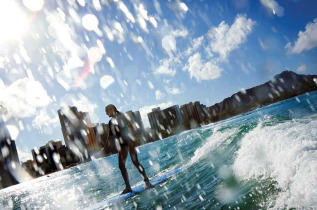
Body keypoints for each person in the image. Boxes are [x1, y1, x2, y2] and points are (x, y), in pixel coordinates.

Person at [105, 104, 151, 194]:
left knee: (123, 165)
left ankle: (129, 187)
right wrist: (105, 148)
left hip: (126, 142)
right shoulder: (112, 121)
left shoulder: (120, 117)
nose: (106, 113)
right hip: (126, 142)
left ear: (112, 109)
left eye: (107, 111)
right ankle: (146, 181)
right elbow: (110, 137)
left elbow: (130, 126)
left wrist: (130, 138)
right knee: (134, 162)